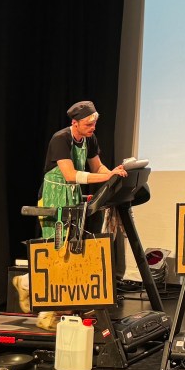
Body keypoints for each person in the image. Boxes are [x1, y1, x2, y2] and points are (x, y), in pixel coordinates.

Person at [13, 100, 128, 330]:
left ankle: (27, 282)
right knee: (57, 251)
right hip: (54, 196)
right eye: (88, 123)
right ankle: (45, 313)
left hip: (72, 198)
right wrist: (108, 177)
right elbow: (69, 175)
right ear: (74, 123)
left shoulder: (89, 138)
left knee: (73, 252)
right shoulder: (60, 139)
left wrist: (117, 174)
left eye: (94, 123)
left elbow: (98, 168)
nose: (92, 127)